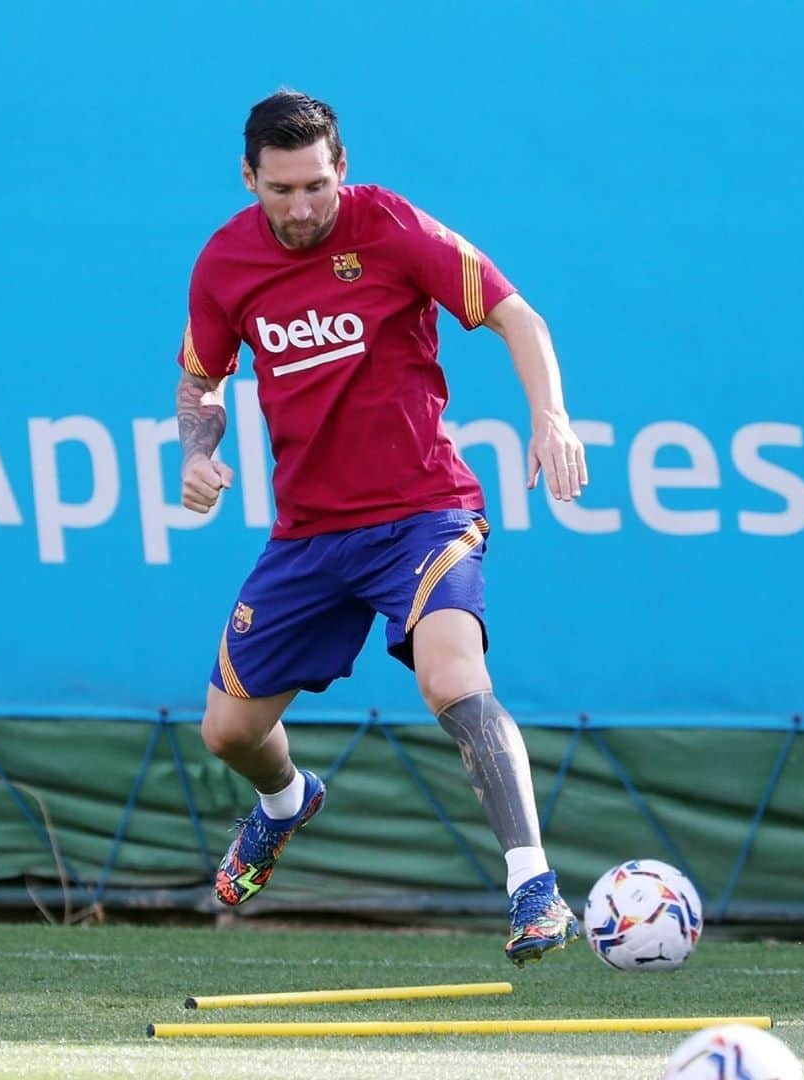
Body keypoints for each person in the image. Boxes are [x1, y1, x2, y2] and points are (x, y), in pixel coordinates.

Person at [175, 90, 589, 967]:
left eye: (316, 185)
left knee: (451, 680)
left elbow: (518, 313)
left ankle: (533, 887)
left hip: (422, 514)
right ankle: (287, 804)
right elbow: (202, 380)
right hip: (309, 536)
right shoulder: (223, 263)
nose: (300, 207)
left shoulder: (391, 226)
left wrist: (550, 416)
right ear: (249, 177)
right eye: (280, 189)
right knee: (228, 734)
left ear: (342, 168)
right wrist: (196, 448)